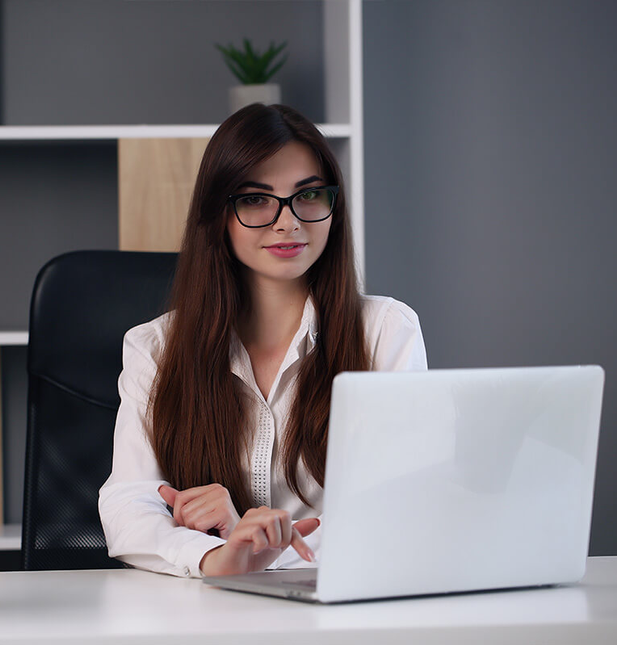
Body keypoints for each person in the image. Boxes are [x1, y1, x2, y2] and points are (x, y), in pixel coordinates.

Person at [98, 103, 427, 578]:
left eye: (308, 194)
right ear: (218, 215)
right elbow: (129, 505)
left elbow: (402, 507)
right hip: (204, 615)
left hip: (339, 611)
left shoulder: (385, 331)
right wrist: (215, 557)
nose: (287, 221)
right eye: (255, 199)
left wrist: (253, 548)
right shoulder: (155, 347)